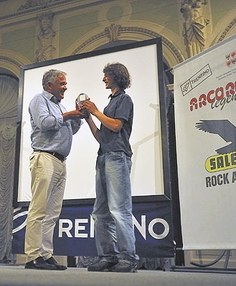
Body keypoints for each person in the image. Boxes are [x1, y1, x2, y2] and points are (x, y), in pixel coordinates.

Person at [81, 62, 139, 273]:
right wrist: (89, 119)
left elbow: (116, 125)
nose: (103, 79)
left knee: (119, 209)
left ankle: (128, 257)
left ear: (116, 76)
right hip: (104, 157)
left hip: (117, 157)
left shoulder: (124, 99)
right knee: (101, 212)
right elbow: (101, 137)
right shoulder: (108, 105)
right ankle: (108, 256)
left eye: (106, 75)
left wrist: (95, 111)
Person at [24, 69, 84, 270]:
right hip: (44, 158)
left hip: (60, 161)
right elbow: (46, 123)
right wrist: (67, 114)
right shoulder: (38, 100)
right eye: (62, 83)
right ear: (50, 85)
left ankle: (45, 254)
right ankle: (33, 256)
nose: (65, 87)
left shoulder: (62, 106)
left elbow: (71, 130)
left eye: (65, 83)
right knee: (38, 209)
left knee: (52, 214)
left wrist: (77, 116)